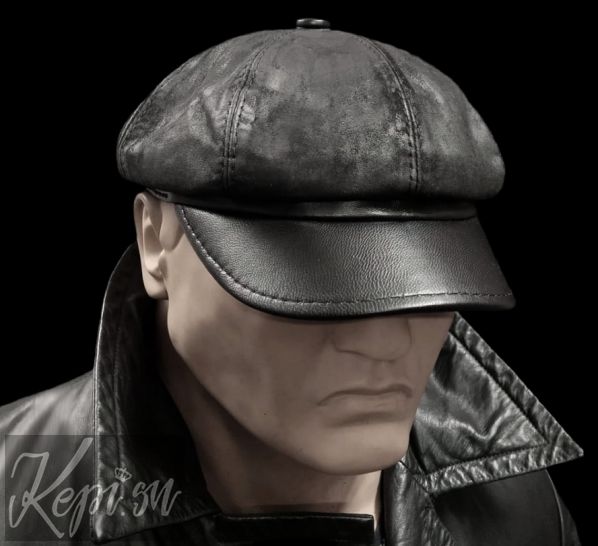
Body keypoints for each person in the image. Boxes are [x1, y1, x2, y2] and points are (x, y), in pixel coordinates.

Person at [0, 19, 584, 545]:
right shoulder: (14, 491)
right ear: (156, 243)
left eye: (420, 282)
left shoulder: (515, 506)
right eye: (310, 287)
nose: (385, 341)